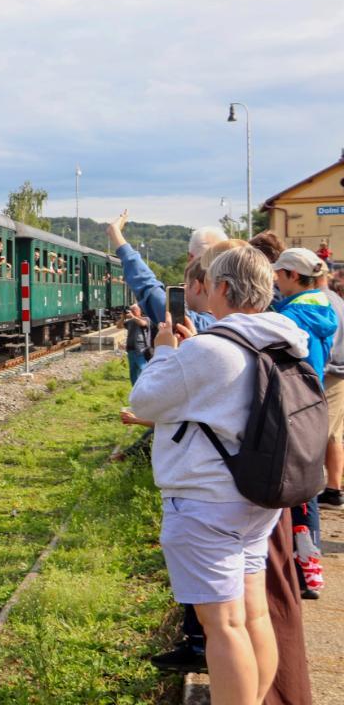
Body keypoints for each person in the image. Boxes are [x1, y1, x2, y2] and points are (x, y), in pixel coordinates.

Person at [132, 245, 305, 705]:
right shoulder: (283, 338)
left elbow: (144, 400)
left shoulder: (211, 349)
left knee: (223, 626)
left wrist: (164, 352)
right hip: (257, 496)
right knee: (253, 616)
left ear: (223, 288)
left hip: (206, 501)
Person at [272, 247, 336, 597]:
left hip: (292, 406)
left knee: (293, 491)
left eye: (279, 275)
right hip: (313, 403)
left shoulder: (292, 315)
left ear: (294, 275)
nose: (276, 282)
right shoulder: (323, 306)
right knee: (306, 490)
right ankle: (309, 570)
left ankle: (298, 574)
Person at [319, 275, 344, 511]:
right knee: (334, 434)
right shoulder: (335, 299)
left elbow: (328, 344)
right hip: (337, 374)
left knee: (319, 434)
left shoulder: (323, 301)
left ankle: (329, 490)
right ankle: (333, 491)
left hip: (331, 375)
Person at [124, 304, 151, 384]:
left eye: (134, 310)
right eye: (131, 310)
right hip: (130, 350)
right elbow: (118, 326)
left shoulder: (145, 319)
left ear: (139, 311)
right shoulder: (130, 321)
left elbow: (143, 324)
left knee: (143, 369)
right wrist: (123, 317)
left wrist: (132, 316)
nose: (132, 312)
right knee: (133, 372)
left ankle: (146, 386)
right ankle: (135, 388)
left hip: (140, 350)